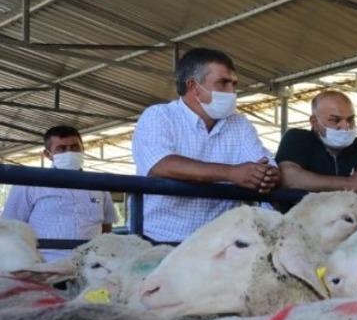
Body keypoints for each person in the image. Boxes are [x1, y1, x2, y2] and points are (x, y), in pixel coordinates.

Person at [131, 47, 278, 243]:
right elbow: (160, 164)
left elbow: (265, 163)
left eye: (234, 84)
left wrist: (268, 173)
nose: (232, 92)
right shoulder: (159, 116)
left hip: (216, 246)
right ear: (193, 87)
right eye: (223, 83)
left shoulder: (239, 124)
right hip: (158, 240)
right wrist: (232, 173)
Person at [2, 125, 117, 260]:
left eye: (75, 147)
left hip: (90, 267)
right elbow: (10, 226)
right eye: (61, 149)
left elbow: (106, 225)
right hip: (46, 267)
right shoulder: (30, 184)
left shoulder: (99, 184)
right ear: (48, 154)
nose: (70, 153)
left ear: (83, 149)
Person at [276, 90, 357, 200]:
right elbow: (289, 178)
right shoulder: (298, 138)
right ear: (314, 121)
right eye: (335, 120)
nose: (345, 126)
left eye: (350, 120)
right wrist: (351, 183)